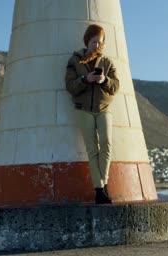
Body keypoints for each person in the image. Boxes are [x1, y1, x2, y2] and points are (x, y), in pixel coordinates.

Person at [65, 24, 120, 204]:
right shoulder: (74, 61)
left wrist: (104, 80)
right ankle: (99, 190)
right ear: (87, 40)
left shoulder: (107, 62)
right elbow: (70, 86)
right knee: (92, 149)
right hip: (83, 110)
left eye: (100, 42)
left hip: (104, 109)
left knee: (107, 144)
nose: (97, 45)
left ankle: (103, 184)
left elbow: (115, 87)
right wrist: (85, 80)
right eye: (94, 41)